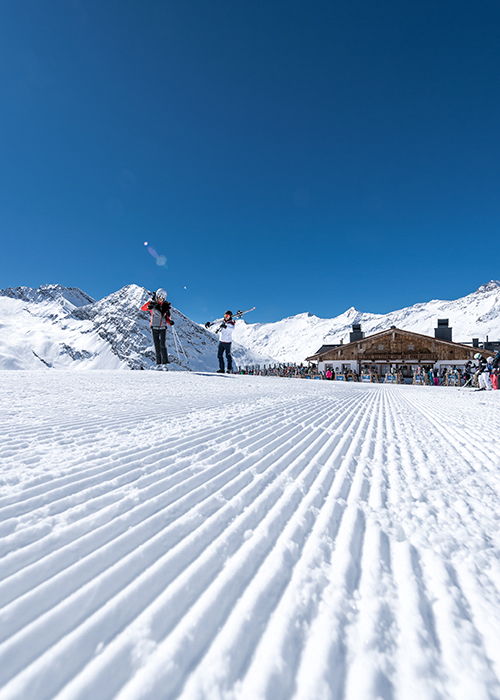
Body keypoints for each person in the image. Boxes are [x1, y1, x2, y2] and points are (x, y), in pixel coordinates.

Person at [141, 288, 174, 368]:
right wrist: (149, 306)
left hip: (163, 327)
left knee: (162, 345)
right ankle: (158, 364)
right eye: (159, 297)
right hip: (154, 327)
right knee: (157, 346)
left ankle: (165, 363)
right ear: (157, 296)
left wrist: (170, 323)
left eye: (162, 298)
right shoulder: (152, 304)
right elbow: (143, 308)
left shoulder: (166, 306)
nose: (160, 299)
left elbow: (167, 318)